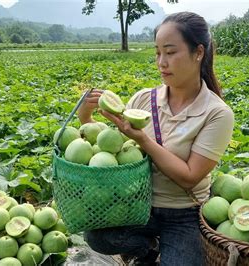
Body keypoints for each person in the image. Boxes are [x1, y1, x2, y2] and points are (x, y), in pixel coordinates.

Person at [78, 11, 234, 266]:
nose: (162, 62)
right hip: (139, 206)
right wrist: (86, 119)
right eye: (157, 52)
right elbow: (115, 148)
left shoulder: (217, 113)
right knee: (97, 237)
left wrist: (143, 140)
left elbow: (189, 176)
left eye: (171, 52)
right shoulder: (143, 99)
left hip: (185, 214)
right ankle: (148, 250)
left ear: (198, 53)